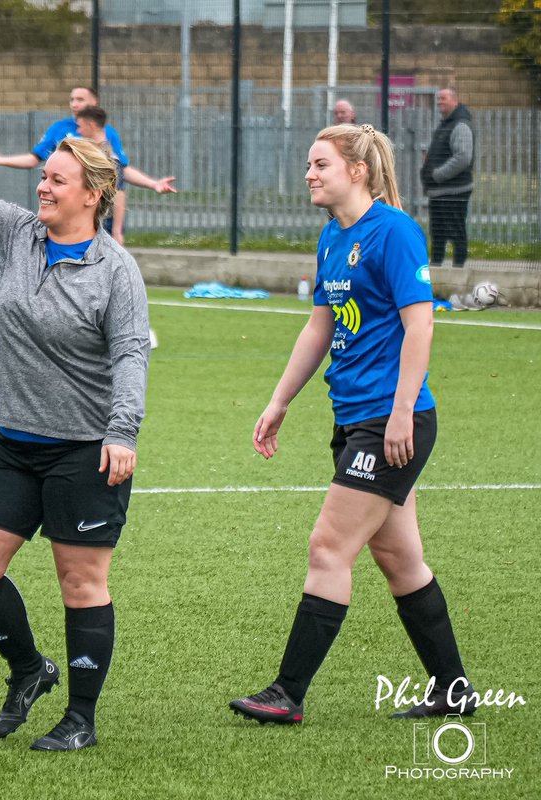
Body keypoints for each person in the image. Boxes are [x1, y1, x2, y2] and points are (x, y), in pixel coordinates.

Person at [0, 74, 150, 751]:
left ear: (94, 195)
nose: (43, 187)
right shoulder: (15, 236)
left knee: (80, 580)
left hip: (85, 448)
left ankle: (80, 718)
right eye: (43, 176)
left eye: (57, 180)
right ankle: (29, 669)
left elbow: (132, 354)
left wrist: (122, 431)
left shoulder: (117, 270)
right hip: (10, 439)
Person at [229, 123, 475, 725]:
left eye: (320, 164)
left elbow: (421, 326)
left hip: (393, 421)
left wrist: (398, 416)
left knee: (329, 546)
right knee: (402, 562)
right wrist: (280, 400)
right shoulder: (333, 238)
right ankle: (454, 690)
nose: (308, 174)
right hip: (356, 419)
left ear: (357, 170)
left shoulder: (394, 232)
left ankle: (287, 693)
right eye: (309, 165)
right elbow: (321, 327)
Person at [0, 86, 176, 245]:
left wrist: (153, 184)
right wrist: (0, 160)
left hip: (94, 214)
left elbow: (120, 173)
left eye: (80, 99)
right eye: (72, 99)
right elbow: (34, 158)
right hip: (66, 212)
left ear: (94, 104)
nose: (74, 104)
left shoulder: (107, 135)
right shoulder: (59, 128)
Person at [74, 106, 176, 243]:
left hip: (101, 226)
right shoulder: (95, 151)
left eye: (79, 126)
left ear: (90, 125)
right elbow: (124, 171)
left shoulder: (106, 156)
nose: (78, 130)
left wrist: (117, 231)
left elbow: (118, 193)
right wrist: (154, 184)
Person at [421, 88, 474, 268]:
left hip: (454, 192)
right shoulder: (446, 124)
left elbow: (463, 157)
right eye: (438, 99)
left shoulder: (460, 125)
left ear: (454, 100)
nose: (439, 102)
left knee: (456, 232)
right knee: (438, 234)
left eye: (443, 98)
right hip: (439, 192)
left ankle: (458, 272)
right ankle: (436, 269)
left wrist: (438, 174)